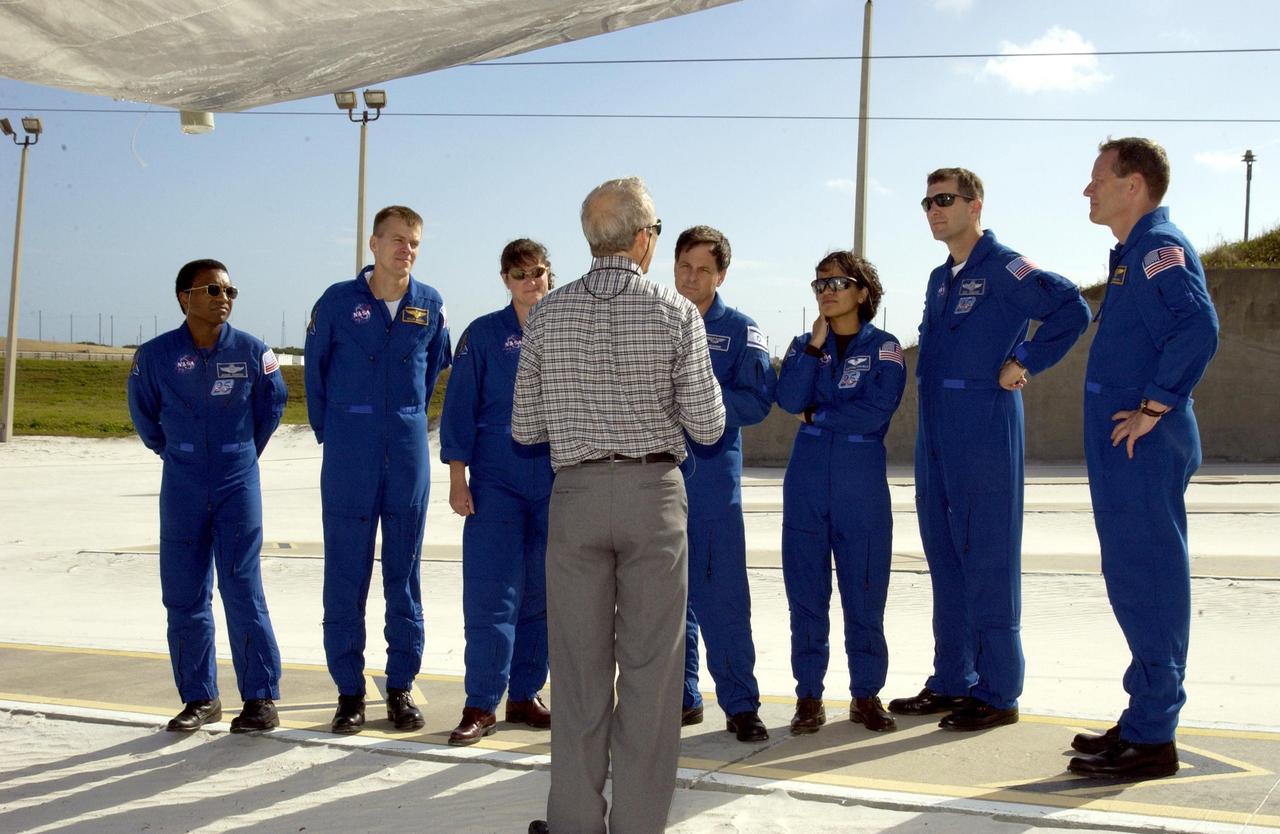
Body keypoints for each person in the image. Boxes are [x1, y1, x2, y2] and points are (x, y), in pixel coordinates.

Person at [514, 177, 725, 834]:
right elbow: (710, 426)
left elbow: (525, 427)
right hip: (651, 496)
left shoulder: (548, 312)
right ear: (642, 239)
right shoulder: (676, 313)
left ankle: (575, 823)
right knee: (650, 675)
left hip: (576, 497)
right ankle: (638, 824)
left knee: (576, 675)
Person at [891, 168, 1090, 731]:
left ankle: (999, 690)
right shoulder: (938, 277)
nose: (934, 209)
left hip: (983, 427)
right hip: (936, 432)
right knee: (945, 558)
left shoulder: (1005, 266)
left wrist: (1024, 359)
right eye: (927, 201)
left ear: (976, 204)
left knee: (989, 557)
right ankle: (954, 680)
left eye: (945, 199)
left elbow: (1072, 309)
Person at [1069, 138, 1219, 780]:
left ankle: (1154, 736)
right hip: (1128, 447)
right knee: (1133, 578)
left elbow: (1200, 328)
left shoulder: (1159, 249)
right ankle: (1142, 717)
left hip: (1144, 443)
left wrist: (1153, 408)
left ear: (1134, 185)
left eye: (1098, 177)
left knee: (1150, 580)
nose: (1088, 189)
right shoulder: (1134, 254)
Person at [304, 205, 452, 735]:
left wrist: (403, 421)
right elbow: (315, 378)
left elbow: (434, 367)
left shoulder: (430, 305)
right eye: (395, 239)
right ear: (372, 243)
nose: (404, 249)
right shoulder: (338, 303)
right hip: (350, 454)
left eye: (413, 241)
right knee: (346, 571)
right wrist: (339, 433)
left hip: (407, 455)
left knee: (404, 574)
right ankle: (348, 691)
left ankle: (400, 686)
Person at [127, 258, 288, 734]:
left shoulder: (254, 351)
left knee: (242, 587)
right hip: (182, 482)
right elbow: (144, 416)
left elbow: (272, 405)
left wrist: (238, 453)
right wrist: (181, 452)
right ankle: (200, 697)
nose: (225, 299)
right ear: (185, 298)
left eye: (230, 292)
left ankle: (259, 699)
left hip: (236, 480)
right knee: (183, 593)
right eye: (213, 291)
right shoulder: (154, 356)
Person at [775, 252, 906, 735]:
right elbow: (787, 399)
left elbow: (875, 411)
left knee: (865, 594)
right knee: (806, 595)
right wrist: (813, 348)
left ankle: (865, 694)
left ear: (862, 292)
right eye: (820, 283)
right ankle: (808, 696)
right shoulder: (803, 346)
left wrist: (817, 417)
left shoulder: (885, 347)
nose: (827, 291)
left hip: (860, 487)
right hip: (806, 484)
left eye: (838, 282)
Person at [439, 239, 554, 746]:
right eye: (521, 274)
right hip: (496, 481)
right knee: (491, 595)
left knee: (544, 593)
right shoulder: (482, 335)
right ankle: (480, 702)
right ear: (505, 279)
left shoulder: (567, 328)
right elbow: (459, 407)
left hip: (555, 480)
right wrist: (457, 477)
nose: (532, 282)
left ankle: (525, 694)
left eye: (540, 272)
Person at [672, 225, 775, 744]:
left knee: (723, 598)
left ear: (722, 275)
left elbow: (757, 401)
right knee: (665, 602)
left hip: (711, 483)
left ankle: (740, 704)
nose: (693, 278)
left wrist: (699, 410)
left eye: (704, 270)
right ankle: (680, 698)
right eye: (685, 267)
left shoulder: (740, 330)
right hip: (656, 481)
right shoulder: (653, 320)